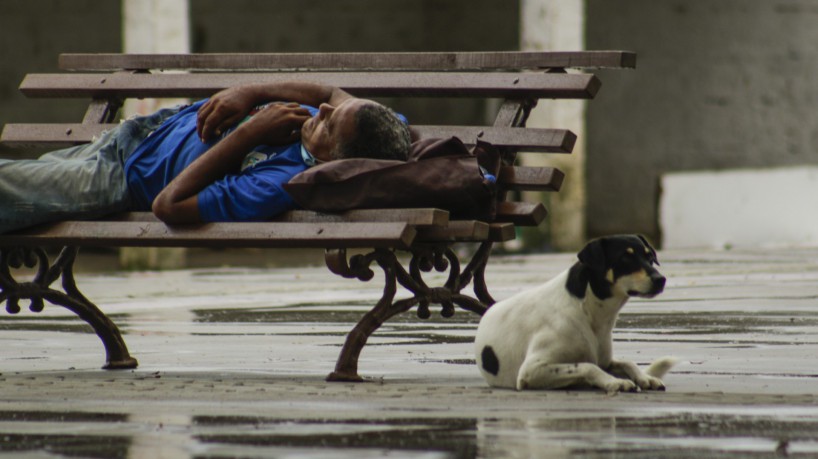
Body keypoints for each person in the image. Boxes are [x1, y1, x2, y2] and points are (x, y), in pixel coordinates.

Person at [0, 82, 411, 234]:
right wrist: (252, 92)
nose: (321, 112)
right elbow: (331, 93)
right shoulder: (376, 124)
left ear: (332, 162)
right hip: (137, 134)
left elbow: (169, 205)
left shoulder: (276, 184)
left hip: (117, 177)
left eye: (328, 127)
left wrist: (250, 132)